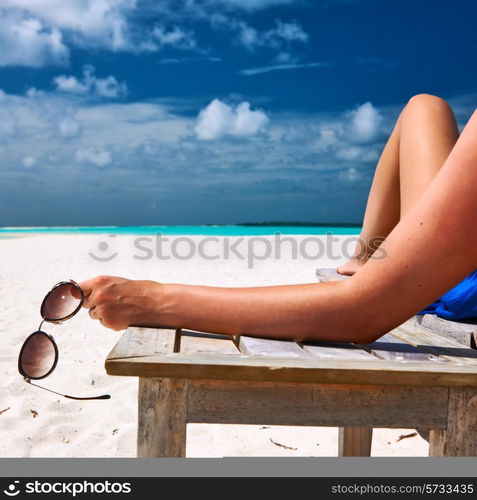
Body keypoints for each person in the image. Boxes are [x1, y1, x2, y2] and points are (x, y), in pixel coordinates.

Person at [79, 94, 477, 344]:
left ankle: (369, 260)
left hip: (448, 279)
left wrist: (154, 299)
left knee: (424, 108)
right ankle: (365, 255)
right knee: (425, 106)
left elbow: (363, 313)